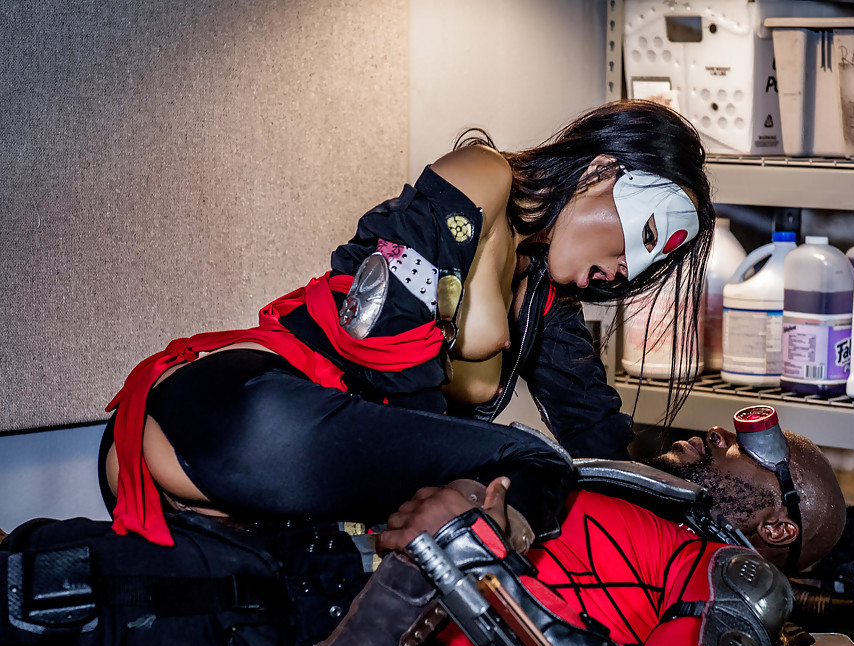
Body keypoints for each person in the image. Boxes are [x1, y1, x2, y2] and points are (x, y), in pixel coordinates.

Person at [98, 98, 716, 550]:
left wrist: (699, 516)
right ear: (601, 171)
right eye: (645, 235)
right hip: (234, 409)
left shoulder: (545, 305)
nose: (626, 270)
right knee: (532, 466)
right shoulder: (481, 174)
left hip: (265, 477)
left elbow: (597, 441)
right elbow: (384, 329)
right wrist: (442, 481)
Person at [289, 408, 847, 646]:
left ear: (779, 528)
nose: (722, 434)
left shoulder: (711, 577)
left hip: (343, 632)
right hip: (304, 544)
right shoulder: (642, 494)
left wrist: (471, 561)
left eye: (760, 449)